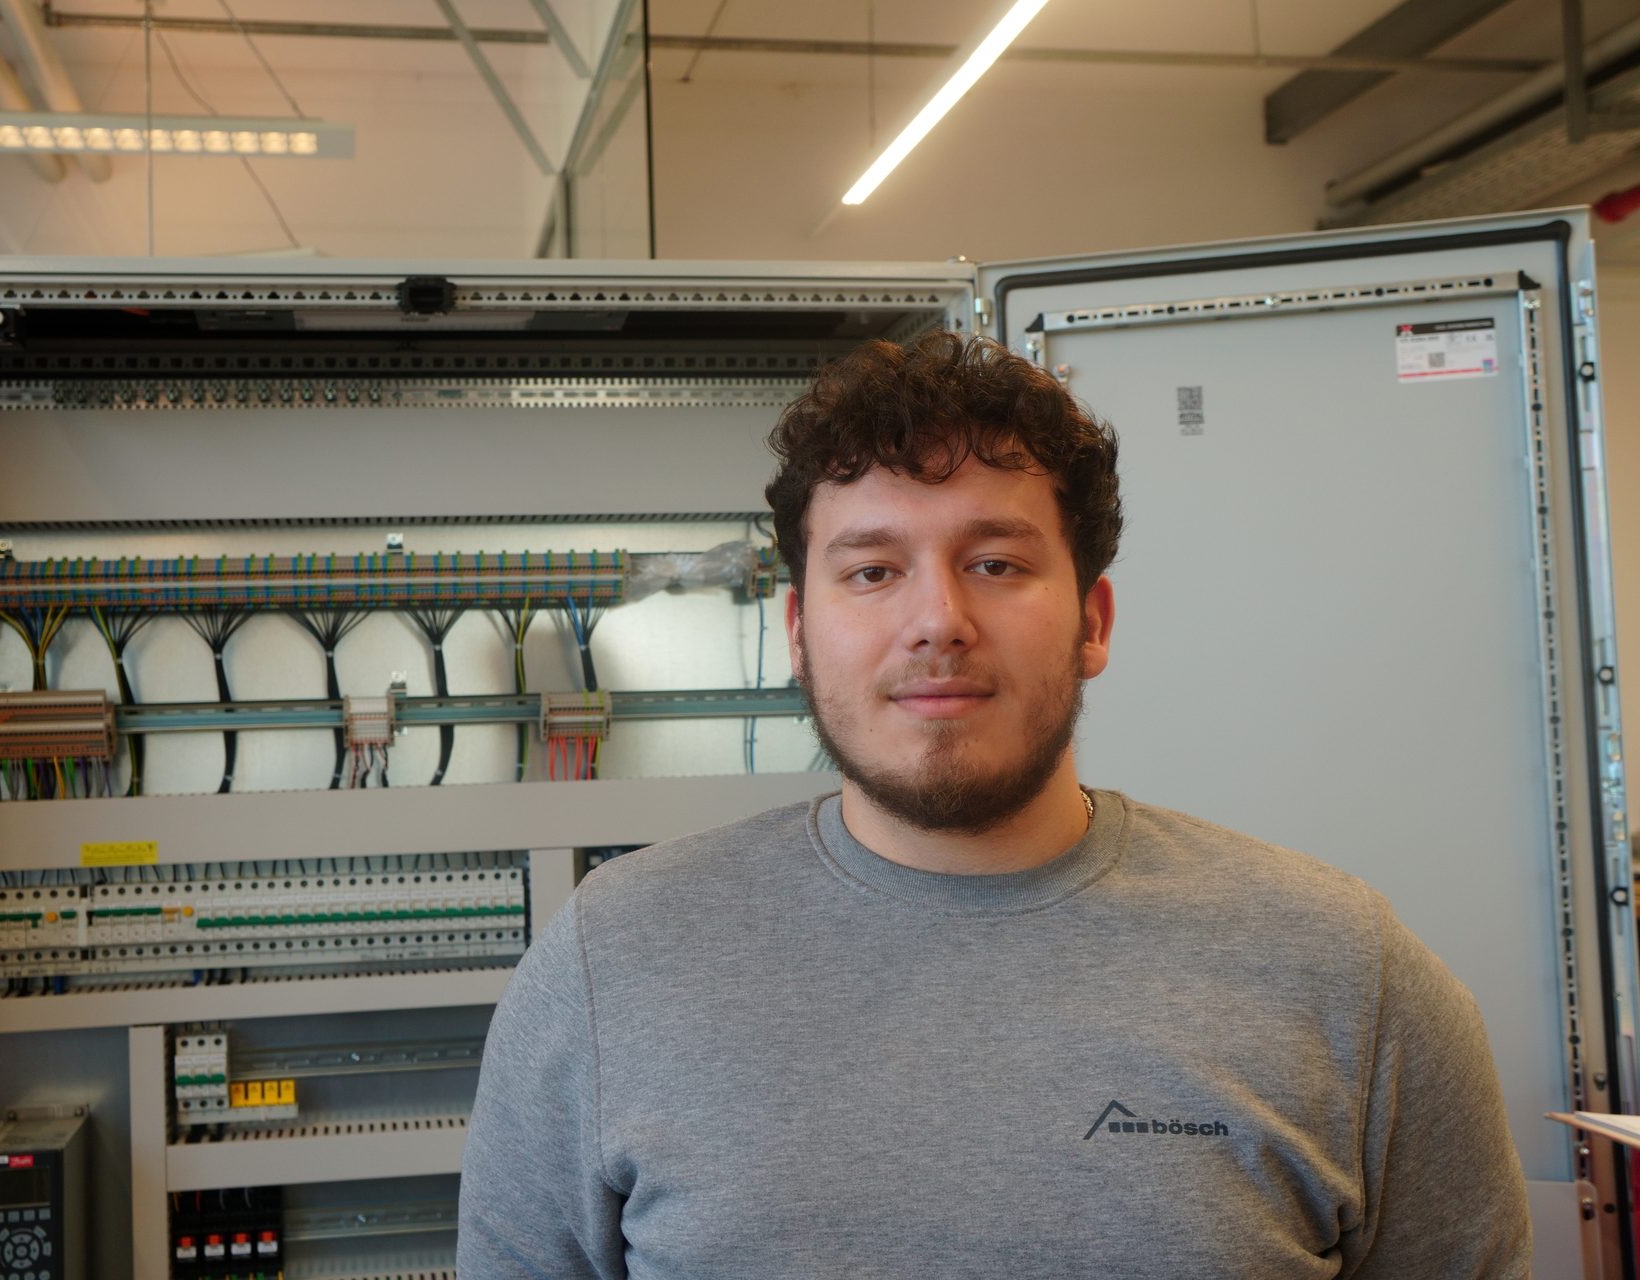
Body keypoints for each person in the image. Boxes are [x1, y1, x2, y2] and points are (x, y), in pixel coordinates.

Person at [457, 331, 1531, 1278]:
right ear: (797, 632)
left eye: (996, 560)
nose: (938, 618)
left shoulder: (1348, 973)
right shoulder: (614, 962)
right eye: (872, 571)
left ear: (1093, 618)